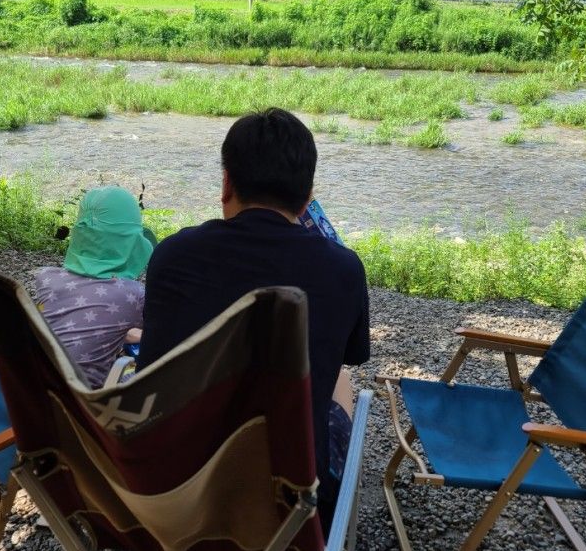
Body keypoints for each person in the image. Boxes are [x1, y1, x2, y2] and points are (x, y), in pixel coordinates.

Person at [137, 108, 370, 528]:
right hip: (290, 510)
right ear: (306, 198)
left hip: (173, 493)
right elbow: (349, 355)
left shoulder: (171, 256)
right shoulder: (342, 269)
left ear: (227, 183)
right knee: (339, 379)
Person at [35, 186, 154, 388]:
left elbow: (82, 322)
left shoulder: (46, 278)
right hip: (85, 402)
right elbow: (163, 338)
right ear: (131, 243)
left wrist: (126, 334)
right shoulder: (133, 294)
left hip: (34, 388)